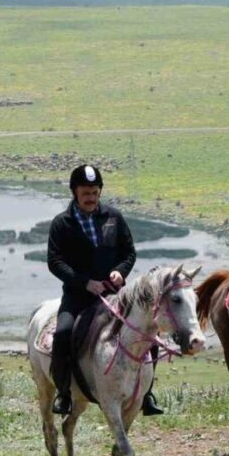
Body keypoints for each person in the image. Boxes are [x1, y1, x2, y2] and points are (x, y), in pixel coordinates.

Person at [47, 164, 162, 416]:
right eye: (85, 192)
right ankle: (64, 392)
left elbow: (129, 252)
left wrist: (121, 271)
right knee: (63, 333)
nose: (90, 198)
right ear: (75, 192)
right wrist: (85, 282)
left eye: (94, 192)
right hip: (78, 296)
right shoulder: (61, 224)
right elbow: (55, 262)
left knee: (148, 330)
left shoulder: (114, 217)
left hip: (114, 295)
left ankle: (148, 392)